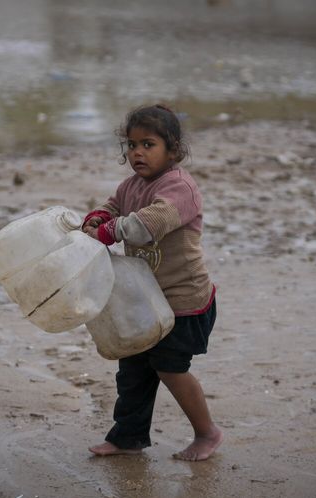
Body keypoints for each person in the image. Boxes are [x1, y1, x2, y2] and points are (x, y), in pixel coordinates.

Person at [82, 104, 222, 461]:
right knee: (133, 371)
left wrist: (107, 231)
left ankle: (207, 433)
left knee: (170, 369)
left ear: (173, 149)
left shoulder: (180, 189)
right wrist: (98, 218)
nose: (137, 153)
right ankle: (127, 437)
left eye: (148, 144)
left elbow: (145, 226)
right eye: (131, 145)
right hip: (145, 300)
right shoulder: (130, 186)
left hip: (184, 301)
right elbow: (114, 207)